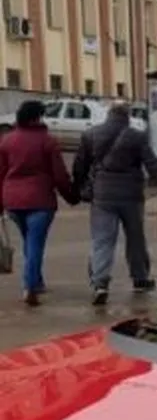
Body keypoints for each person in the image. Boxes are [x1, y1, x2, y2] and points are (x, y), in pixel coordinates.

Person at [72, 102, 157, 306]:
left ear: (108, 114)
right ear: (127, 116)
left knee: (102, 240)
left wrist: (78, 189)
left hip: (102, 195)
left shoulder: (91, 134)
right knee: (136, 238)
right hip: (132, 196)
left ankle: (100, 283)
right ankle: (140, 279)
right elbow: (153, 163)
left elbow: (80, 166)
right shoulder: (137, 137)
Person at [0, 101, 80, 305]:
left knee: (29, 240)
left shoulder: (6, 141)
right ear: (36, 118)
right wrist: (70, 196)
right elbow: (59, 175)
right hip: (40, 200)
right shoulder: (47, 141)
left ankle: (37, 280)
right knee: (35, 243)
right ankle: (30, 286)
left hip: (13, 201)